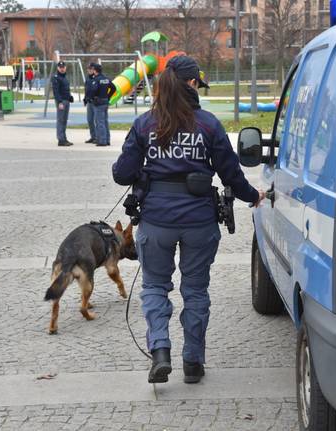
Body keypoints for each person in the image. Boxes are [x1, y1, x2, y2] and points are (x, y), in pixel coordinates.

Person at [112, 56, 265, 384]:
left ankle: (160, 352)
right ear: (193, 84)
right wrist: (254, 196)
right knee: (195, 290)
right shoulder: (208, 124)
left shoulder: (145, 123)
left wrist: (147, 169)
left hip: (155, 221)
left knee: (154, 285)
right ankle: (193, 363)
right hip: (199, 221)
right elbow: (231, 175)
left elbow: (121, 173)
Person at [90, 63, 115, 147]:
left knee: (99, 122)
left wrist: (92, 97)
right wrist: (108, 96)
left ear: (95, 71)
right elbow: (113, 88)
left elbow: (93, 90)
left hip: (98, 103)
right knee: (105, 121)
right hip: (105, 102)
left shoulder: (96, 80)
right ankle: (107, 139)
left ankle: (102, 141)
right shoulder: (106, 79)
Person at [51, 61, 74, 147]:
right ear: (57, 68)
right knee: (61, 121)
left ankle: (64, 138)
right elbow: (56, 92)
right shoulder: (56, 77)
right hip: (61, 102)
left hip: (66, 101)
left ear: (65, 67)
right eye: (60, 67)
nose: (62, 68)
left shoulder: (64, 77)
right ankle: (61, 139)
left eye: (63, 67)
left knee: (64, 120)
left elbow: (65, 90)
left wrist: (70, 97)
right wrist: (59, 102)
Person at [84, 63, 97, 144]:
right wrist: (85, 98)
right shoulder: (88, 79)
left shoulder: (96, 78)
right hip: (89, 102)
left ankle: (97, 137)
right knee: (89, 120)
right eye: (89, 69)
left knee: (97, 120)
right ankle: (93, 136)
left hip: (95, 102)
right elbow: (87, 90)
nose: (89, 70)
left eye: (91, 69)